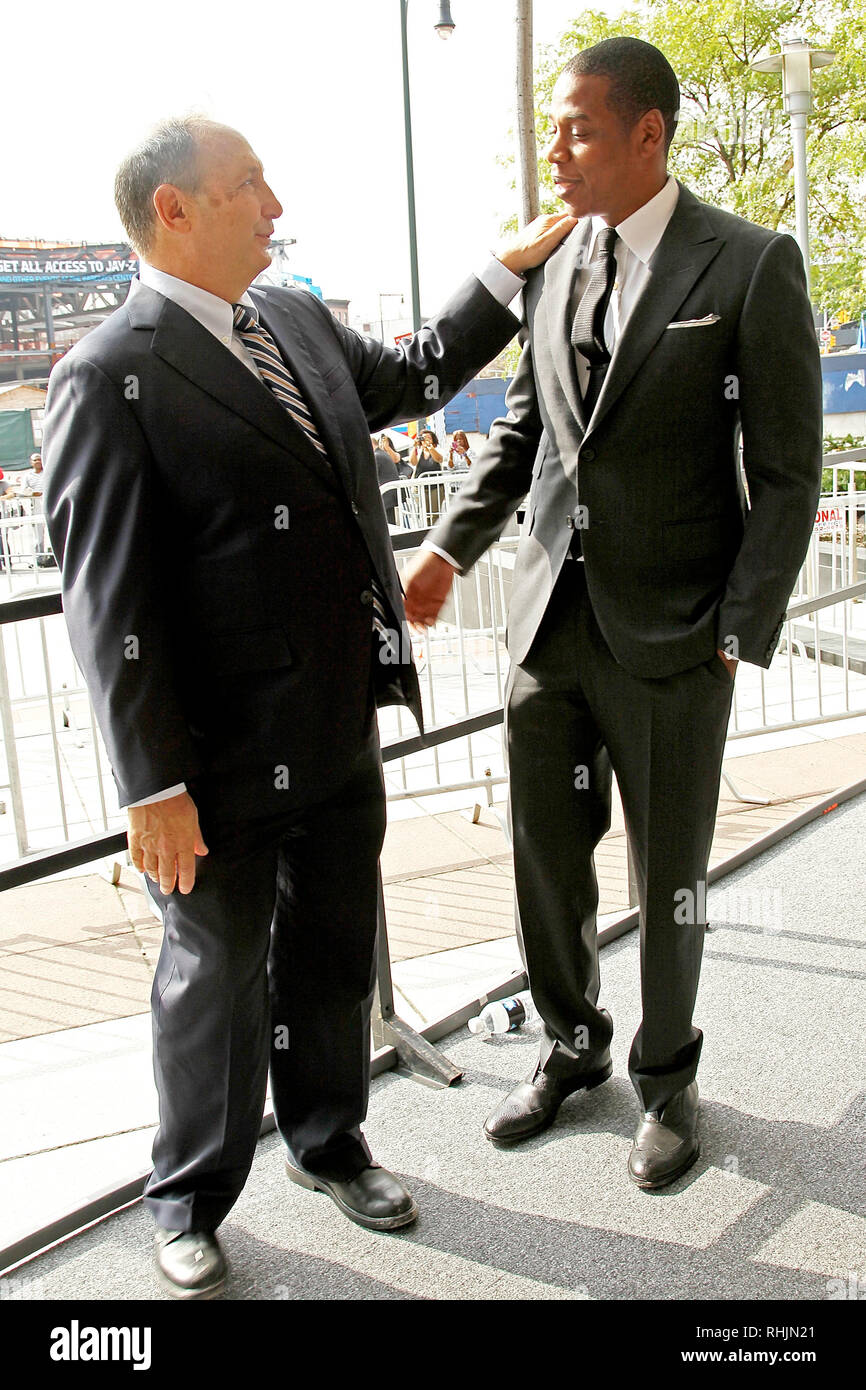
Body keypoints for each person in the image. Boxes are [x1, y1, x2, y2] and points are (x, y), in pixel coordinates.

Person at [42, 115, 575, 1298]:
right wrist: (152, 783)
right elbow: (105, 601)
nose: (274, 203)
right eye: (247, 185)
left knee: (333, 953)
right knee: (212, 979)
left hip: (334, 721)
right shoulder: (105, 375)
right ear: (172, 212)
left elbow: (418, 373)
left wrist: (506, 270)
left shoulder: (290, 320)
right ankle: (186, 1194)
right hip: (213, 761)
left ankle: (329, 1141)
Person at [404, 37, 822, 1191]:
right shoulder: (552, 265)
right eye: (554, 127)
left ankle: (669, 1074)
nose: (554, 148)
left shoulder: (746, 264)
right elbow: (526, 437)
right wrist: (447, 547)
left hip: (678, 633)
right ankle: (573, 1043)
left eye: (576, 126)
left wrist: (742, 625)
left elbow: (788, 473)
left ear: (647, 135)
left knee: (667, 872)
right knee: (544, 855)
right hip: (547, 625)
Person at [373, 433, 405, 526]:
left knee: (390, 524)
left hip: (387, 496)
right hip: (389, 494)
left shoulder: (377, 456)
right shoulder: (382, 454)